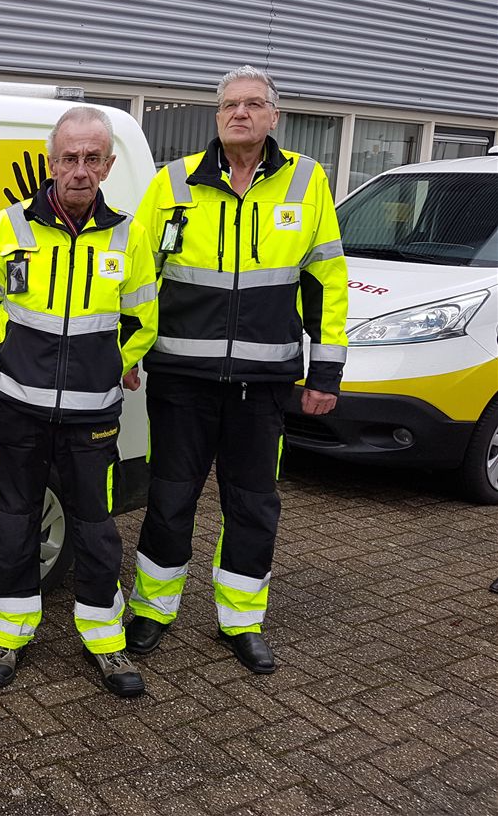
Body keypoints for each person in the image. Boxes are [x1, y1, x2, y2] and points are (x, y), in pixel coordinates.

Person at [125, 65, 348, 674]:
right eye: (229, 105)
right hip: (180, 380)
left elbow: (326, 283)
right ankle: (153, 608)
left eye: (253, 104)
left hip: (265, 383)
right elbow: (138, 277)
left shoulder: (307, 182)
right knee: (170, 498)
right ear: (216, 116)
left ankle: (241, 620)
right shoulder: (172, 183)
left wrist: (325, 375)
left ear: (275, 115)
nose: (240, 113)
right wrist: (129, 354)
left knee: (252, 503)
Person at [0, 106, 158, 697]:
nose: (79, 169)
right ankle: (8, 634)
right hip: (12, 407)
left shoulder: (131, 234)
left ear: (108, 164)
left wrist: (113, 364)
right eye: (69, 158)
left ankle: (105, 641)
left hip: (92, 412)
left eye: (91, 158)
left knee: (96, 528)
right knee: (12, 522)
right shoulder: (7, 227)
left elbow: (142, 319)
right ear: (52, 163)